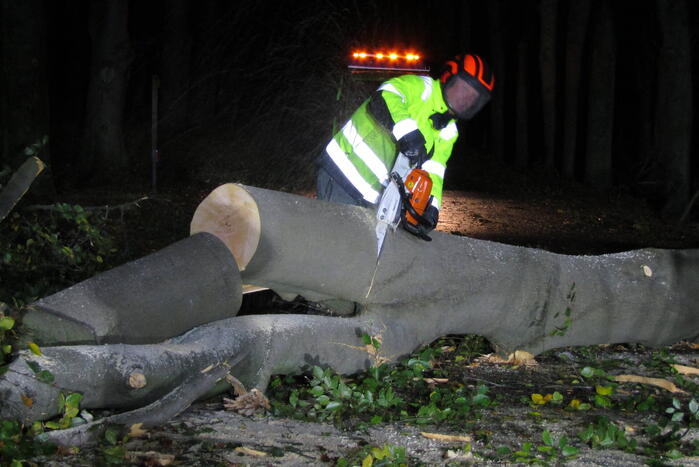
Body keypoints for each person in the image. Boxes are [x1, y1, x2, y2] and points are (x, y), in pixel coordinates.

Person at [317, 53, 495, 233]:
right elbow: (385, 96)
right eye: (463, 89)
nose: (465, 98)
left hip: (375, 195)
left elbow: (434, 171)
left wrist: (431, 207)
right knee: (334, 239)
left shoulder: (449, 131)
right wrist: (409, 134)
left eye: (473, 97)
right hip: (342, 173)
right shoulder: (422, 88)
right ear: (448, 77)